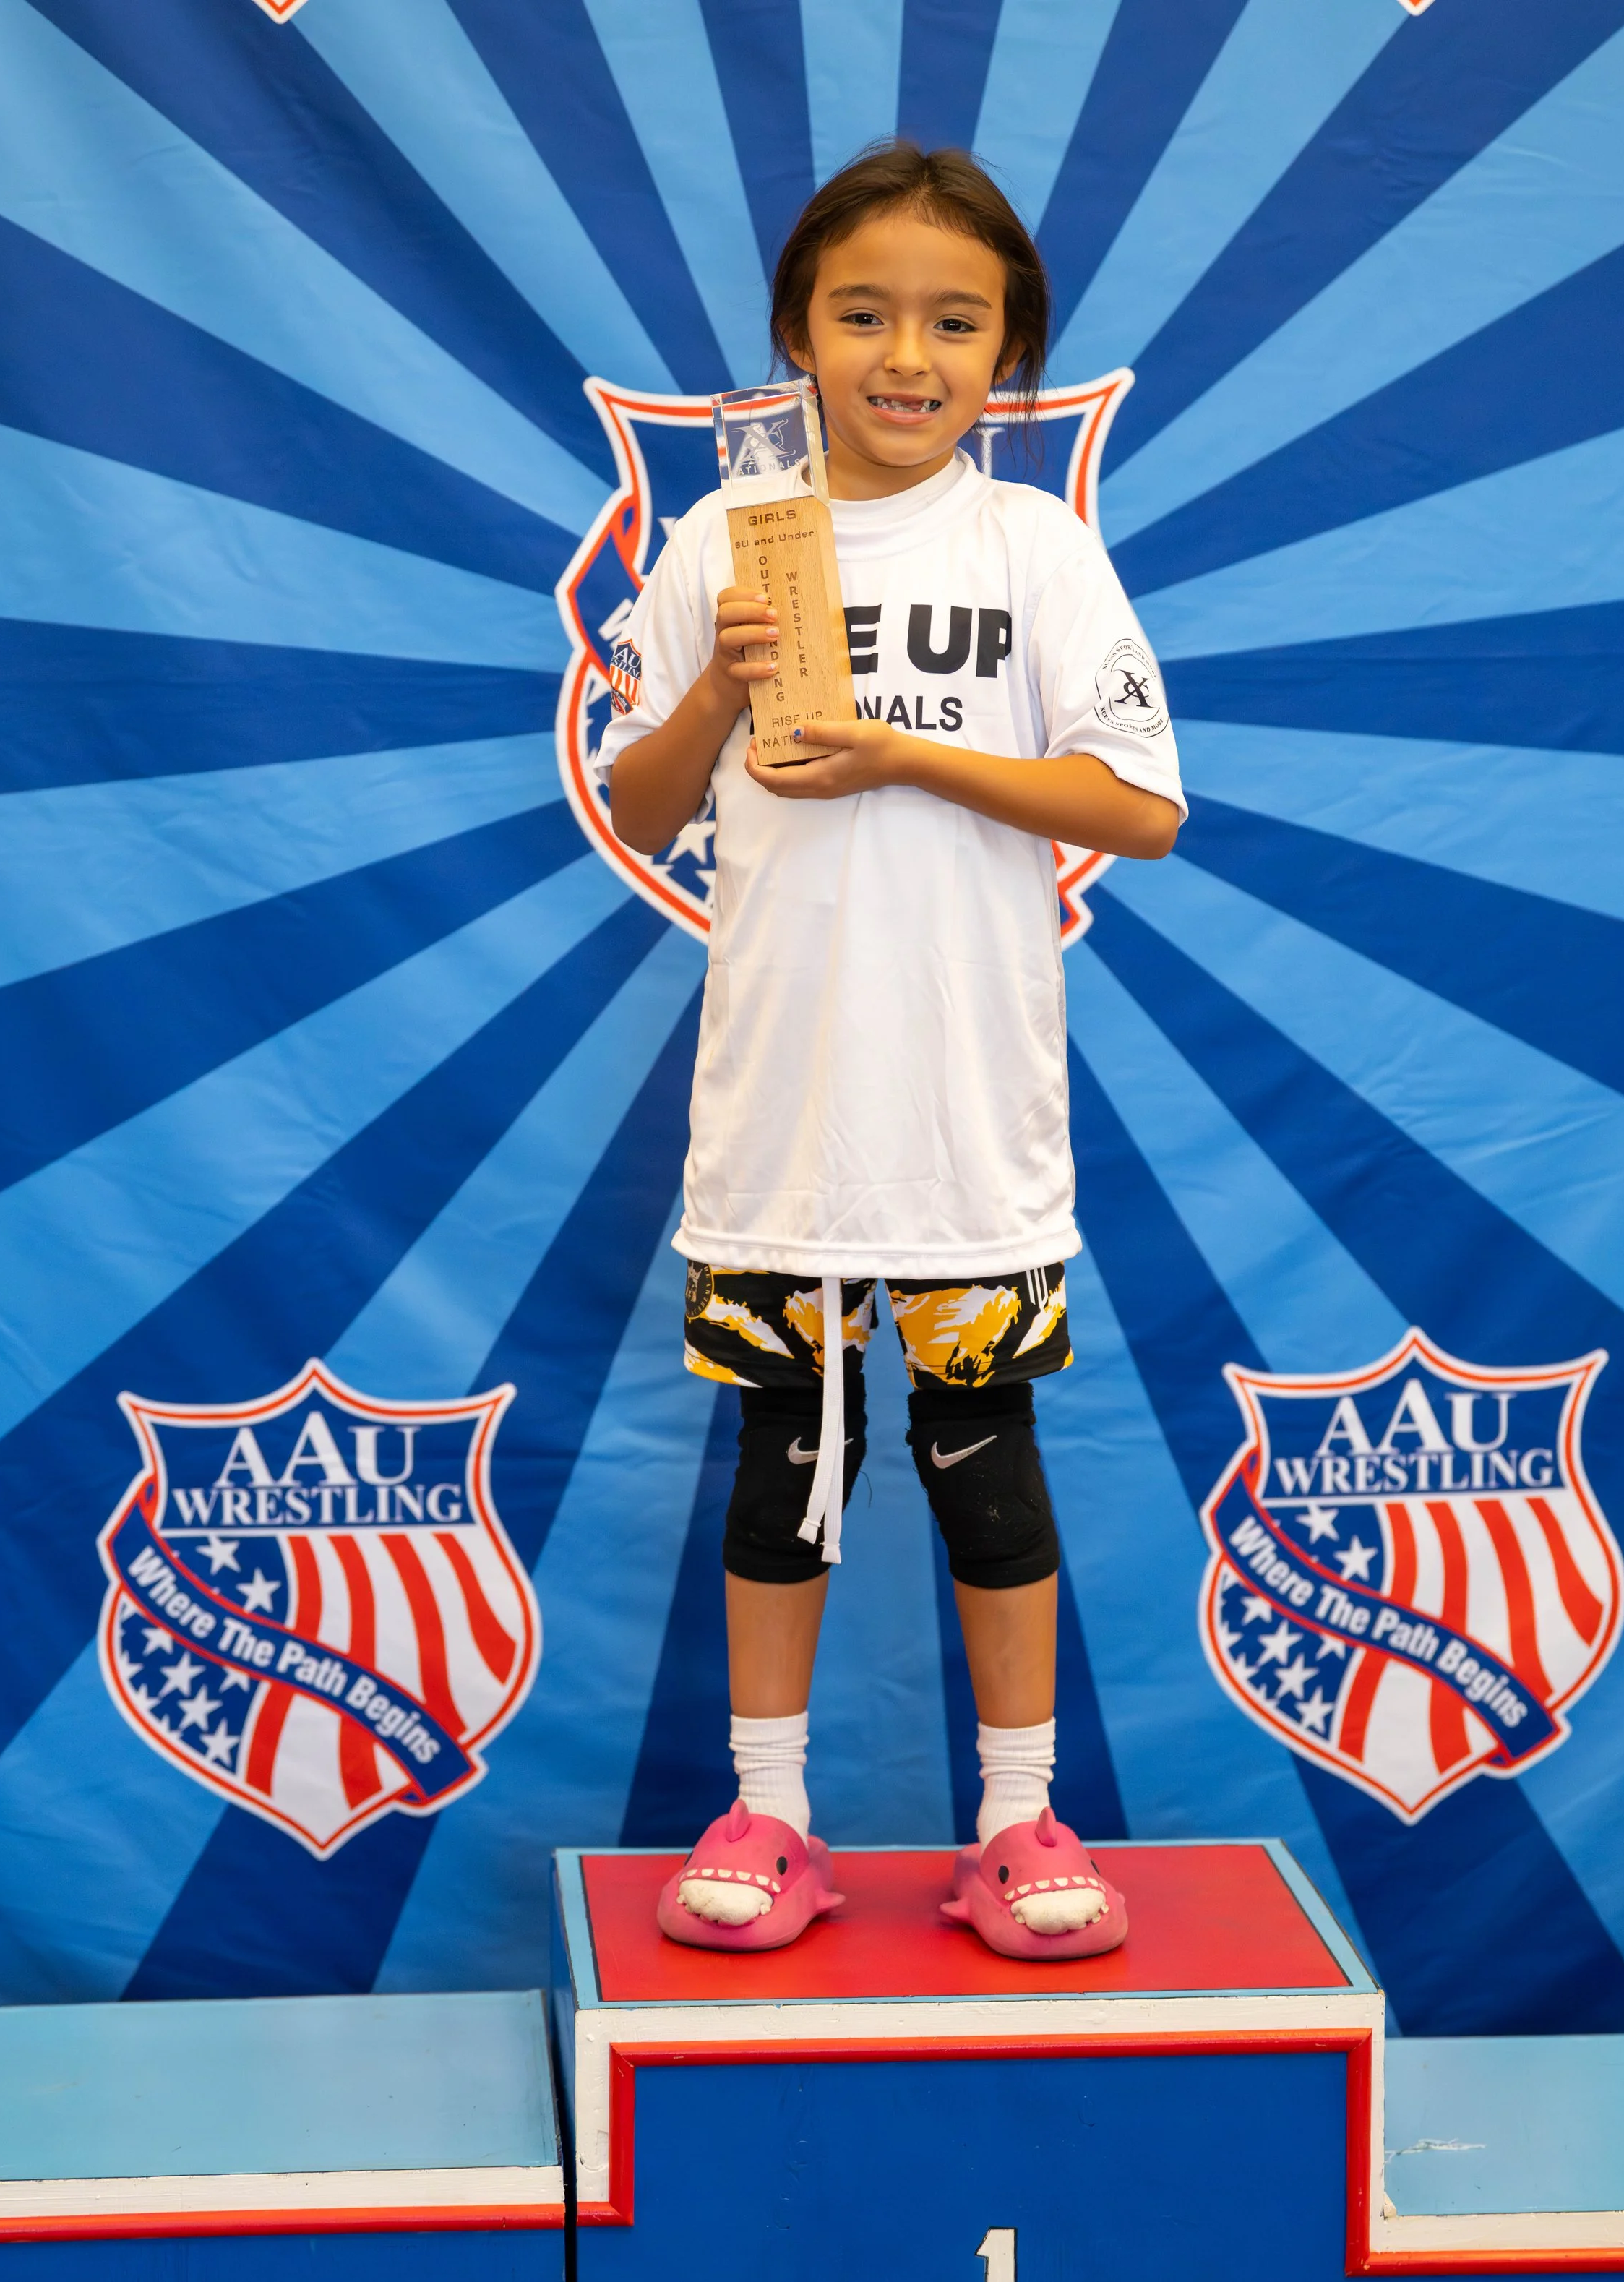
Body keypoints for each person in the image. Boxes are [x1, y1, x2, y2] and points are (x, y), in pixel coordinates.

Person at [598, 141, 1184, 1959]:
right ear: (797, 334)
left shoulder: (1036, 546)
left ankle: (1017, 1820)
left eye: (953, 320)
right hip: (780, 1117)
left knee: (984, 1458)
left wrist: (911, 751)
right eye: (863, 315)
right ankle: (767, 1812)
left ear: (1005, 355)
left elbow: (1138, 804)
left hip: (966, 1120)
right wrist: (718, 679)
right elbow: (637, 794)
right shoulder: (726, 543)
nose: (905, 354)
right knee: (785, 1466)